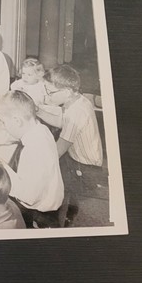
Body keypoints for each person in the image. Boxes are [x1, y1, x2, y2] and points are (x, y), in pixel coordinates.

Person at [37, 65, 103, 225]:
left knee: (55, 187)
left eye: (50, 92)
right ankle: (70, 213)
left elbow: (59, 149)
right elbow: (62, 122)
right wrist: (37, 111)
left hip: (85, 167)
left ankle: (54, 223)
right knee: (66, 186)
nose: (47, 96)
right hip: (82, 159)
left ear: (66, 92)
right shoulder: (78, 101)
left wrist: (37, 157)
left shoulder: (76, 113)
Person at [0, 90, 64, 227]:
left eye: (3, 122)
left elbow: (27, 197)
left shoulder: (34, 151)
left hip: (39, 213)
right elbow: (19, 133)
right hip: (48, 199)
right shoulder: (40, 129)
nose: (4, 126)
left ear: (16, 121)